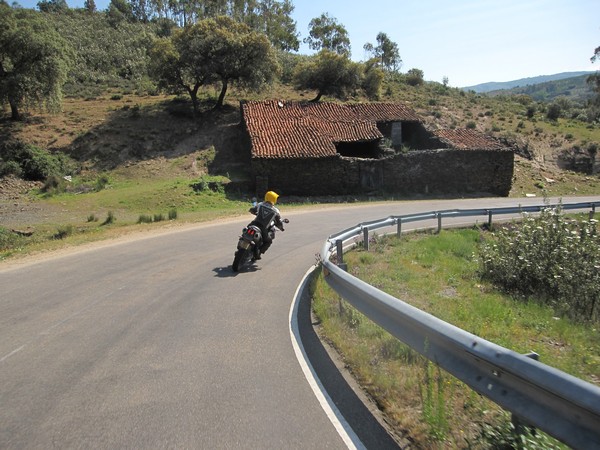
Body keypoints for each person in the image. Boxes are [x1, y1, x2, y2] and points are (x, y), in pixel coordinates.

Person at [248, 190, 284, 260]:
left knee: (246, 230)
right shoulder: (275, 210)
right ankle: (258, 252)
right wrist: (281, 228)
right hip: (263, 228)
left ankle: (243, 240)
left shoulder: (260, 204)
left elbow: (252, 210)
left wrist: (254, 212)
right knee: (268, 241)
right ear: (274, 199)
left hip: (254, 224)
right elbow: (278, 221)